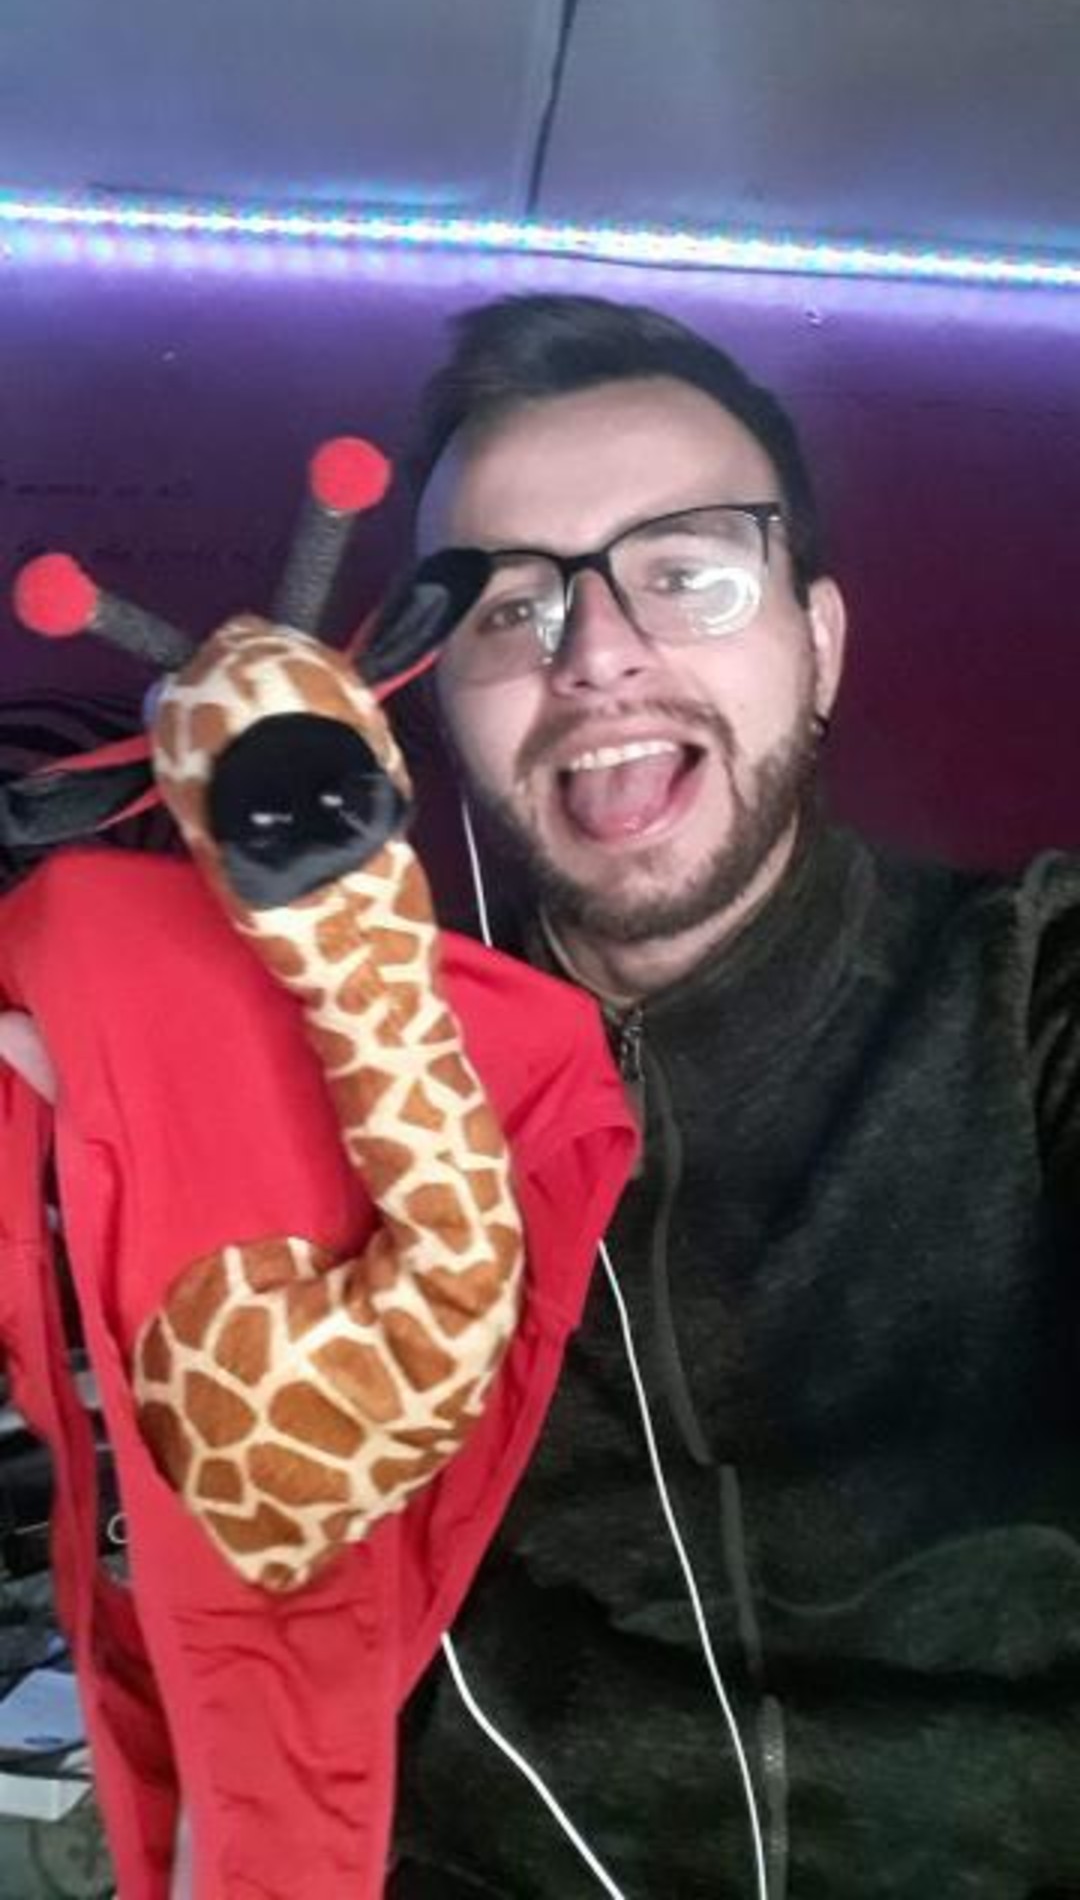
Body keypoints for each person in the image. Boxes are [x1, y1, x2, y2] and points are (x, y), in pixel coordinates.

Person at [384, 293, 1080, 1898]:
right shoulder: (367, 1094)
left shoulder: (1027, 983)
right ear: (441, 700)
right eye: (508, 609)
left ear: (818, 643)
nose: (594, 655)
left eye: (686, 573)